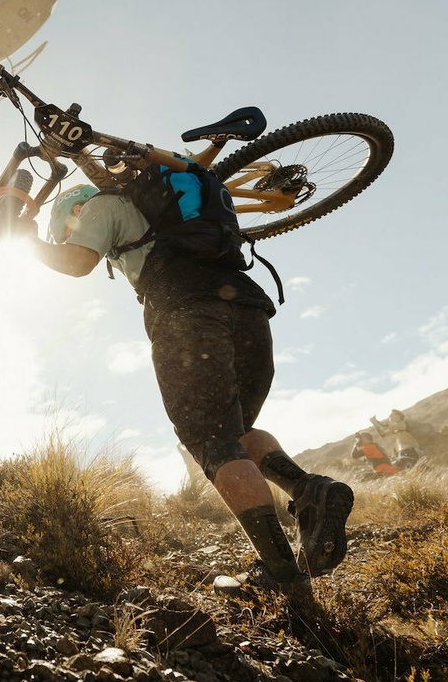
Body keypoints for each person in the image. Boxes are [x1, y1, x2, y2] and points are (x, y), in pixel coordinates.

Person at [21, 168, 355, 605]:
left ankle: (281, 574)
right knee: (234, 433)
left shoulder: (101, 207)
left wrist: (25, 241)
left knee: (210, 440)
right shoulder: (166, 215)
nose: (70, 236)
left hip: (188, 315)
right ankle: (309, 490)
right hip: (248, 308)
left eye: (66, 229)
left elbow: (78, 262)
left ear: (74, 211)